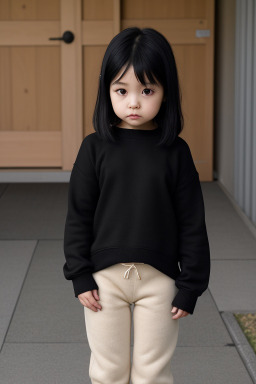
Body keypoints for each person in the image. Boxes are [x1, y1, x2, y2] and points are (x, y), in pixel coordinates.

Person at [63, 27, 211, 384]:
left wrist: (191, 285)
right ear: (107, 92)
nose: (133, 102)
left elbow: (192, 222)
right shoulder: (94, 148)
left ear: (166, 92)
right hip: (103, 282)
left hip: (160, 282)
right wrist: (80, 274)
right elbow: (78, 215)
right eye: (121, 90)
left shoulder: (176, 153)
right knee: (108, 370)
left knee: (152, 373)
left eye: (147, 90)